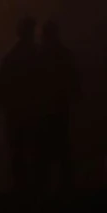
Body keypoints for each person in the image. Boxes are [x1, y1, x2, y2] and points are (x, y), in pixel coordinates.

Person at [1, 17, 44, 195]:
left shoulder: (12, 56)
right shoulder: (39, 55)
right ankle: (34, 187)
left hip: (18, 111)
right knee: (33, 150)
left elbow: (4, 86)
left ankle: (22, 188)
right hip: (33, 110)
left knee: (19, 150)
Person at [36, 19, 80, 193]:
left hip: (43, 108)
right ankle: (65, 185)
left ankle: (45, 186)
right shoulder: (64, 54)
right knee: (62, 147)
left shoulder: (38, 55)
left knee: (44, 148)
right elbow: (73, 80)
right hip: (60, 107)